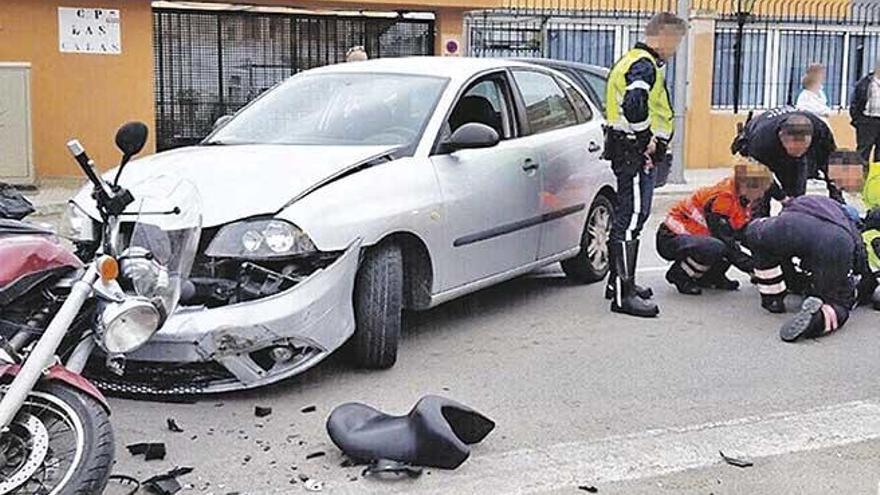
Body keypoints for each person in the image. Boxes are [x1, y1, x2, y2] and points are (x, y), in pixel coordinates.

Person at [603, 12, 687, 318]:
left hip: (627, 150)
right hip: (634, 152)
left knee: (629, 216)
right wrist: (646, 139)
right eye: (676, 42)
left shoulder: (632, 59)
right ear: (663, 36)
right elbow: (635, 102)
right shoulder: (644, 65)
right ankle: (624, 296)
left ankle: (619, 283)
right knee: (632, 218)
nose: (676, 49)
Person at [746, 192, 877, 342]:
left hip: (785, 224)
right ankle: (819, 319)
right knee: (839, 302)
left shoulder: (803, 202)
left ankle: (773, 298)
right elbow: (860, 262)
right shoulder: (847, 225)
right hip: (831, 241)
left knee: (761, 240)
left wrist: (791, 277)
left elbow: (785, 250)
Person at [657, 162, 772, 295]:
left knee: (723, 246)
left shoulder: (739, 196)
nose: (762, 195)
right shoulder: (722, 199)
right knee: (717, 247)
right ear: (747, 187)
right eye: (761, 190)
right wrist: (753, 267)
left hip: (691, 237)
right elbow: (725, 240)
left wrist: (761, 247)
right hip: (671, 237)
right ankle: (680, 275)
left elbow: (741, 231)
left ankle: (712, 277)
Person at [731, 107, 839, 217]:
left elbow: (832, 165)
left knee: (797, 202)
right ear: (781, 136)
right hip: (763, 149)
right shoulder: (761, 142)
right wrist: (781, 197)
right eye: (794, 150)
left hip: (794, 161)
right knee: (758, 199)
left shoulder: (820, 129)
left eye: (803, 149)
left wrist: (837, 198)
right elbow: (760, 176)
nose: (798, 153)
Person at [850, 60, 880, 165]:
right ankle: (860, 179)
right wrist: (857, 121)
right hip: (867, 121)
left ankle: (877, 180)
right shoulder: (865, 82)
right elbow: (855, 102)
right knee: (863, 153)